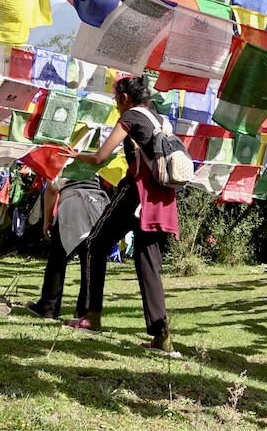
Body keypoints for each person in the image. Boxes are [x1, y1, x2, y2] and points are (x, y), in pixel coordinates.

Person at [62, 75, 179, 353]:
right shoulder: (161, 120)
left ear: (125, 98)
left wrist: (75, 154)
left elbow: (101, 157)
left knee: (94, 243)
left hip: (136, 193)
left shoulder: (131, 117)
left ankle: (91, 316)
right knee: (148, 263)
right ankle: (162, 338)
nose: (115, 106)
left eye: (116, 100)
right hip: (163, 197)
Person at [26, 178, 110, 320]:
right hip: (97, 204)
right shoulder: (93, 155)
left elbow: (52, 189)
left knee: (57, 259)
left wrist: (47, 220)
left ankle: (48, 308)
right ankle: (84, 312)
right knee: (89, 262)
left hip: (72, 203)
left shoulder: (62, 156)